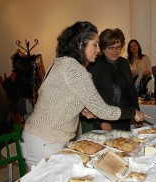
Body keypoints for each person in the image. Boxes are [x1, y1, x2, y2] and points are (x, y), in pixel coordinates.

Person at [20, 21, 146, 168]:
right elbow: (103, 110)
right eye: (95, 44)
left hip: (40, 138)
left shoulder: (61, 62)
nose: (98, 49)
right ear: (81, 44)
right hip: (45, 140)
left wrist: (82, 109)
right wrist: (132, 112)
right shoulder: (75, 70)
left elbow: (58, 98)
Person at [87, 28, 140, 131]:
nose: (115, 51)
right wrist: (101, 122)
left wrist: (137, 112)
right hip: (105, 121)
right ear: (103, 48)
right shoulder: (95, 65)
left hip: (125, 118)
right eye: (111, 48)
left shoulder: (124, 63)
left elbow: (132, 92)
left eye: (118, 47)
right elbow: (90, 98)